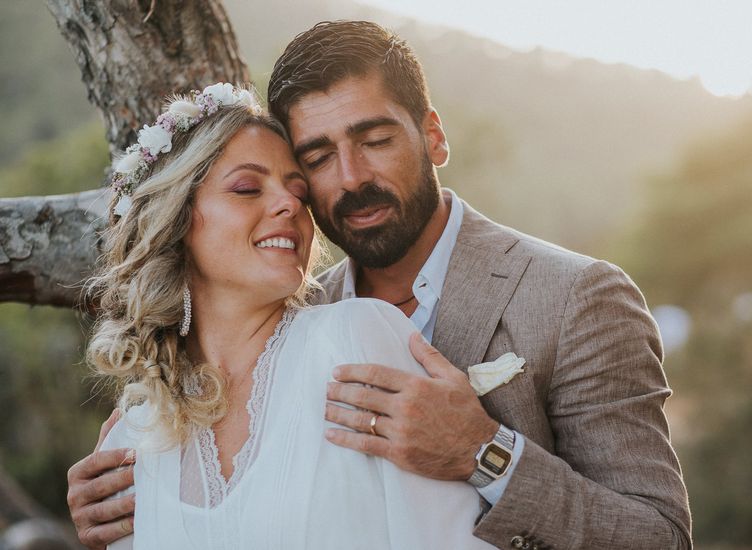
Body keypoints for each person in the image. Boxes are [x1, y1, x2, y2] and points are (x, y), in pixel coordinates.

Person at [68, 21, 692, 550]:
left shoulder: (575, 297)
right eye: (316, 158)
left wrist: (484, 451)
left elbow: (659, 535)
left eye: (375, 140)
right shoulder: (285, 323)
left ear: (434, 135)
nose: (351, 176)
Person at [81, 83, 495, 549]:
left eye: (298, 191)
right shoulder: (133, 437)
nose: (290, 205)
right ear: (175, 220)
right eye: (247, 188)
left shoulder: (354, 341)